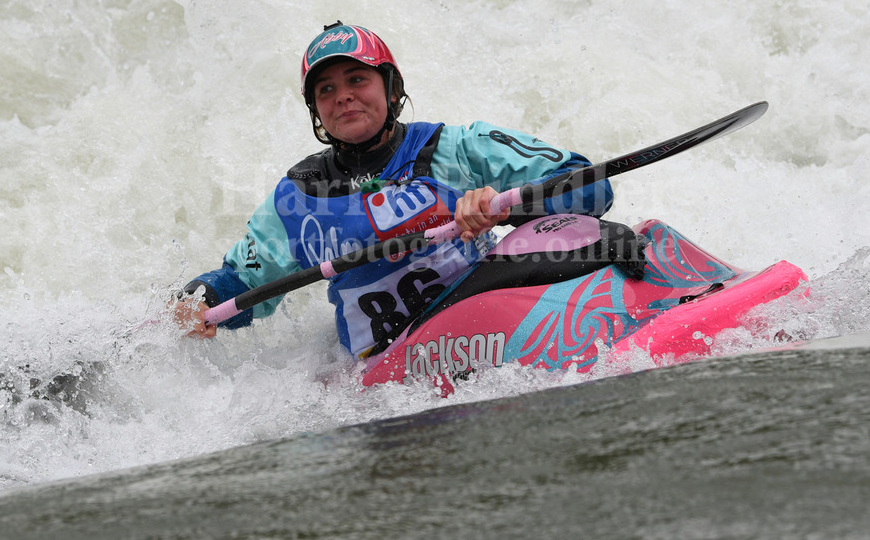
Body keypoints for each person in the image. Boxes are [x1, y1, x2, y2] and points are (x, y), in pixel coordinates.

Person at [174, 21, 613, 359]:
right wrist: (199, 298)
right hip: (385, 372)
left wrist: (501, 207)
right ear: (316, 111)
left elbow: (588, 186)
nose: (343, 96)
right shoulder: (296, 199)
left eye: (357, 80)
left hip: (487, 324)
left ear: (390, 87)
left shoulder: (456, 147)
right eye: (326, 90)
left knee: (596, 241)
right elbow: (242, 283)